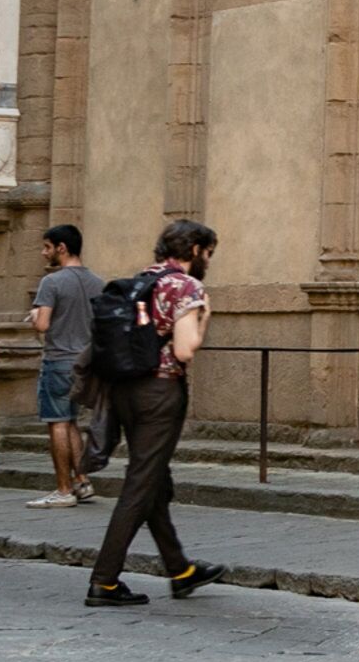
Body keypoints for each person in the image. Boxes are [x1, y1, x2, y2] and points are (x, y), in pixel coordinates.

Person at [83, 219, 219, 608]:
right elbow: (184, 349)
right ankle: (104, 580)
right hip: (160, 392)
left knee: (153, 480)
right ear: (194, 250)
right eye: (207, 254)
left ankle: (180, 571)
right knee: (141, 484)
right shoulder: (185, 286)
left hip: (124, 388)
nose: (207, 261)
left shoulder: (142, 280)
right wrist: (204, 316)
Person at [25, 224, 103, 509]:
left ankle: (63, 489)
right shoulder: (98, 282)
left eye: (47, 247)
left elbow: (43, 325)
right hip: (85, 362)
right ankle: (82, 481)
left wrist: (35, 316)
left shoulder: (52, 282)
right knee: (70, 422)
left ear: (62, 248)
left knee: (57, 422)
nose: (43, 253)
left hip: (58, 360)